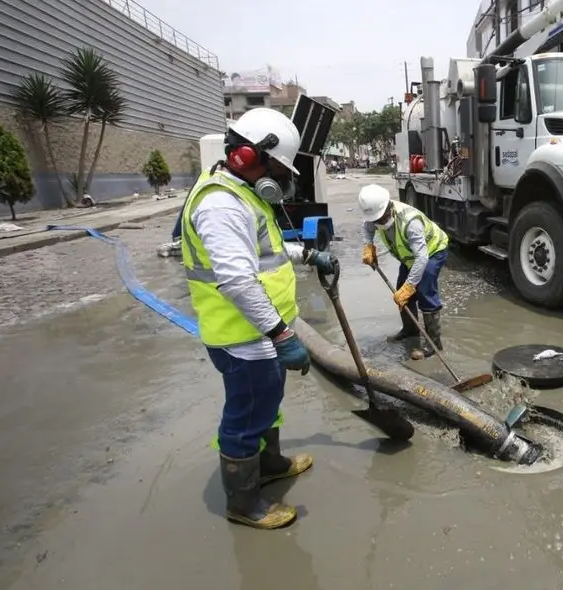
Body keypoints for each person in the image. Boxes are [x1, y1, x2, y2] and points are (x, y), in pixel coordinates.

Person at [179, 107, 338, 530]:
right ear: (248, 158)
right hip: (243, 337)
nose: (283, 178)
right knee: (246, 414)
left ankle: (270, 464)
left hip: (260, 333)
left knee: (268, 403)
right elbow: (236, 281)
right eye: (279, 167)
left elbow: (263, 251)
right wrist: (283, 335)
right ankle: (245, 503)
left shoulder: (242, 194)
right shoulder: (221, 205)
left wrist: (309, 254)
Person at [357, 184, 449, 359]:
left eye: (381, 219)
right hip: (410, 257)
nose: (378, 223)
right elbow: (367, 227)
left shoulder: (410, 221)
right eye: (376, 220)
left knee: (424, 292)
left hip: (432, 252)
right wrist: (369, 246)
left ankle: (434, 345)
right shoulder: (375, 216)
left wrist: (411, 285)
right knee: (401, 290)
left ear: (388, 208)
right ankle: (410, 331)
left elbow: (422, 258)